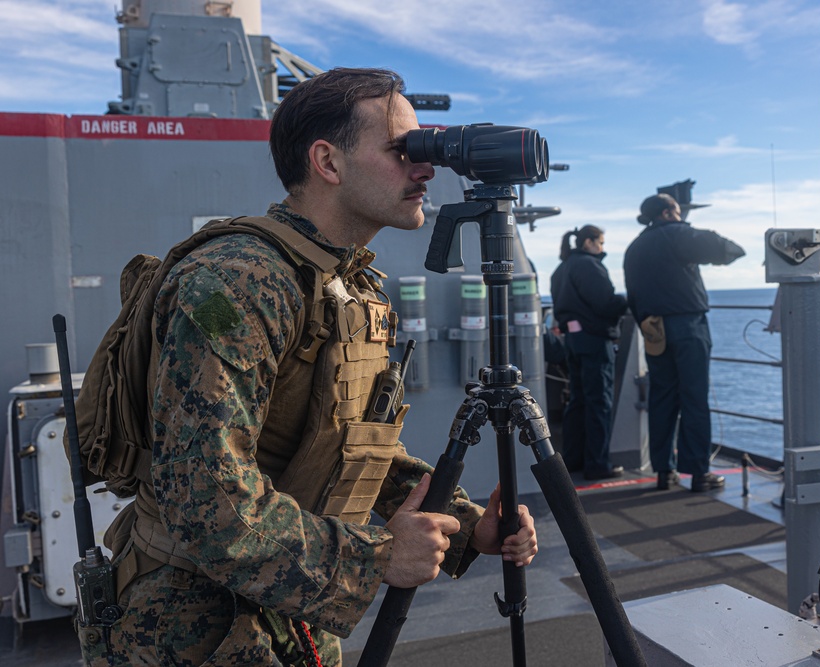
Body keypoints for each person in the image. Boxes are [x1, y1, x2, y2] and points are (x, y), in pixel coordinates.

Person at [86, 68, 538, 666]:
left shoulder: (345, 284)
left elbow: (351, 449)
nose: (426, 168)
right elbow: (204, 496)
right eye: (403, 150)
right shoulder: (236, 282)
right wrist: (375, 558)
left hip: (288, 612)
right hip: (188, 627)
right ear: (327, 161)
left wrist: (468, 526)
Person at [623, 193, 745, 492]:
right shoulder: (677, 233)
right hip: (687, 325)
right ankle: (699, 473)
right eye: (678, 211)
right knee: (694, 399)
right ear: (667, 213)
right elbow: (730, 250)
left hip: (653, 328)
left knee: (662, 398)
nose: (682, 216)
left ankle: (665, 471)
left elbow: (632, 294)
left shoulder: (634, 247)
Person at [549, 225, 628, 480]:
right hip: (594, 340)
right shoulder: (589, 266)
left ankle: (573, 459)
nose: (602, 248)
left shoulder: (561, 269)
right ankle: (597, 464)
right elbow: (604, 303)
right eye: (601, 243)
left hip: (573, 340)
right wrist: (629, 301)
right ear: (589, 242)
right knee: (599, 402)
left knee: (578, 400)